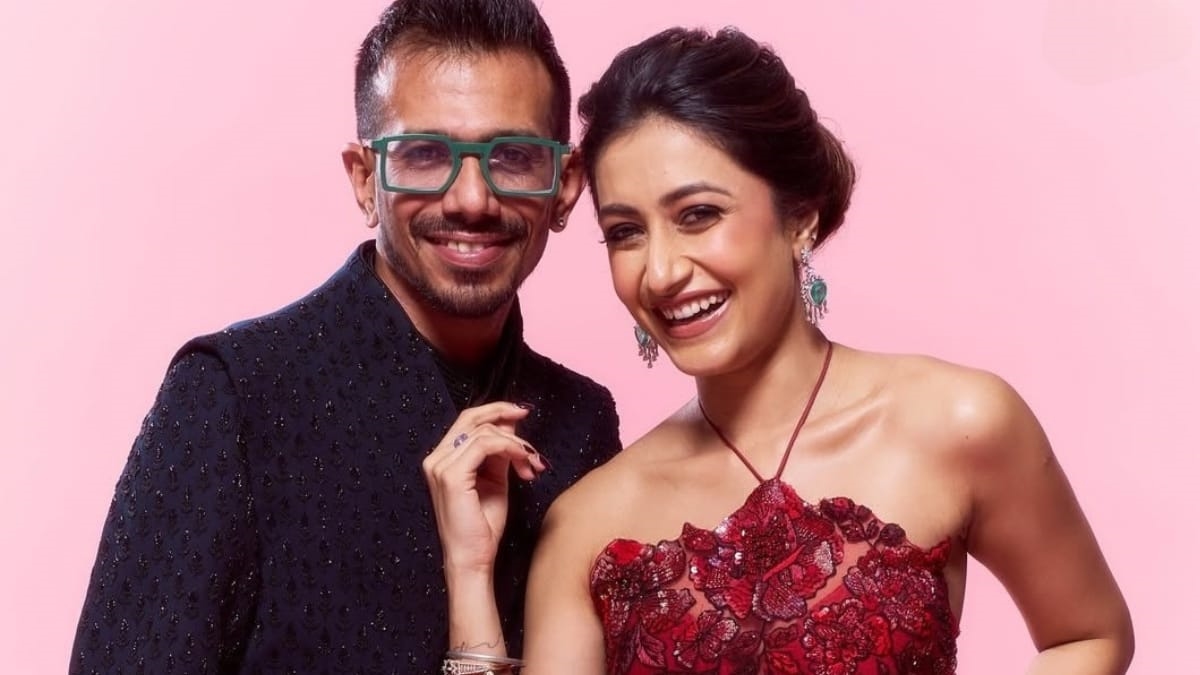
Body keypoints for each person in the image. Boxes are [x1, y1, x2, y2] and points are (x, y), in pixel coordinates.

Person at [431, 26, 1134, 674]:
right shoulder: (588, 523)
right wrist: (468, 576)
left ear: (799, 217)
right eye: (625, 233)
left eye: (698, 215)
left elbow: (1088, 634)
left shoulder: (961, 423)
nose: (661, 271)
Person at [68, 1, 621, 673]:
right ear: (365, 180)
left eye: (513, 157)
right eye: (424, 155)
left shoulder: (581, 423)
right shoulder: (233, 394)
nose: (471, 199)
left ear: (564, 186)